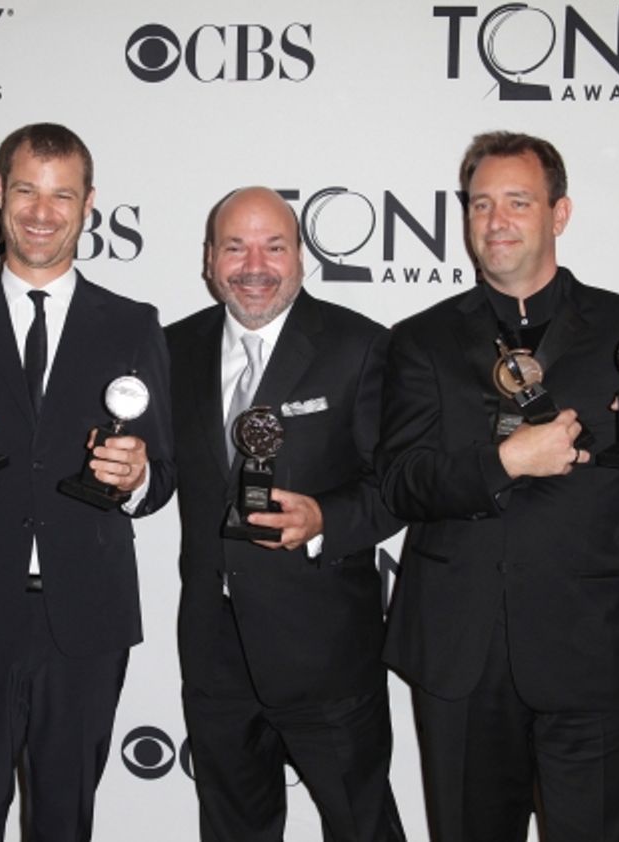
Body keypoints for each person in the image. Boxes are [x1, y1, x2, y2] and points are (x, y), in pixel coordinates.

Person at [377, 131, 619, 842]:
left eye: (517, 202)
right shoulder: (420, 340)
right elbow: (402, 483)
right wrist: (506, 461)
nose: (495, 221)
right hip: (461, 656)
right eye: (480, 204)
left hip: (592, 655)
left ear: (559, 214)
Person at [0, 123, 175, 841]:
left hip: (86, 616)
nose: (42, 212)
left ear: (90, 204)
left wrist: (139, 476)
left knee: (65, 822)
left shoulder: (133, 324)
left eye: (62, 195)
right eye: (26, 189)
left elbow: (165, 471)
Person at [165, 186, 405, 842]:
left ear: (300, 258)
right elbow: (160, 477)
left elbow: (397, 486)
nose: (255, 264)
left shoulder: (360, 347)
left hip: (326, 649)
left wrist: (326, 519)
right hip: (214, 649)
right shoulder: (172, 350)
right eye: (235, 247)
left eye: (274, 246)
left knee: (362, 826)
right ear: (210, 260)